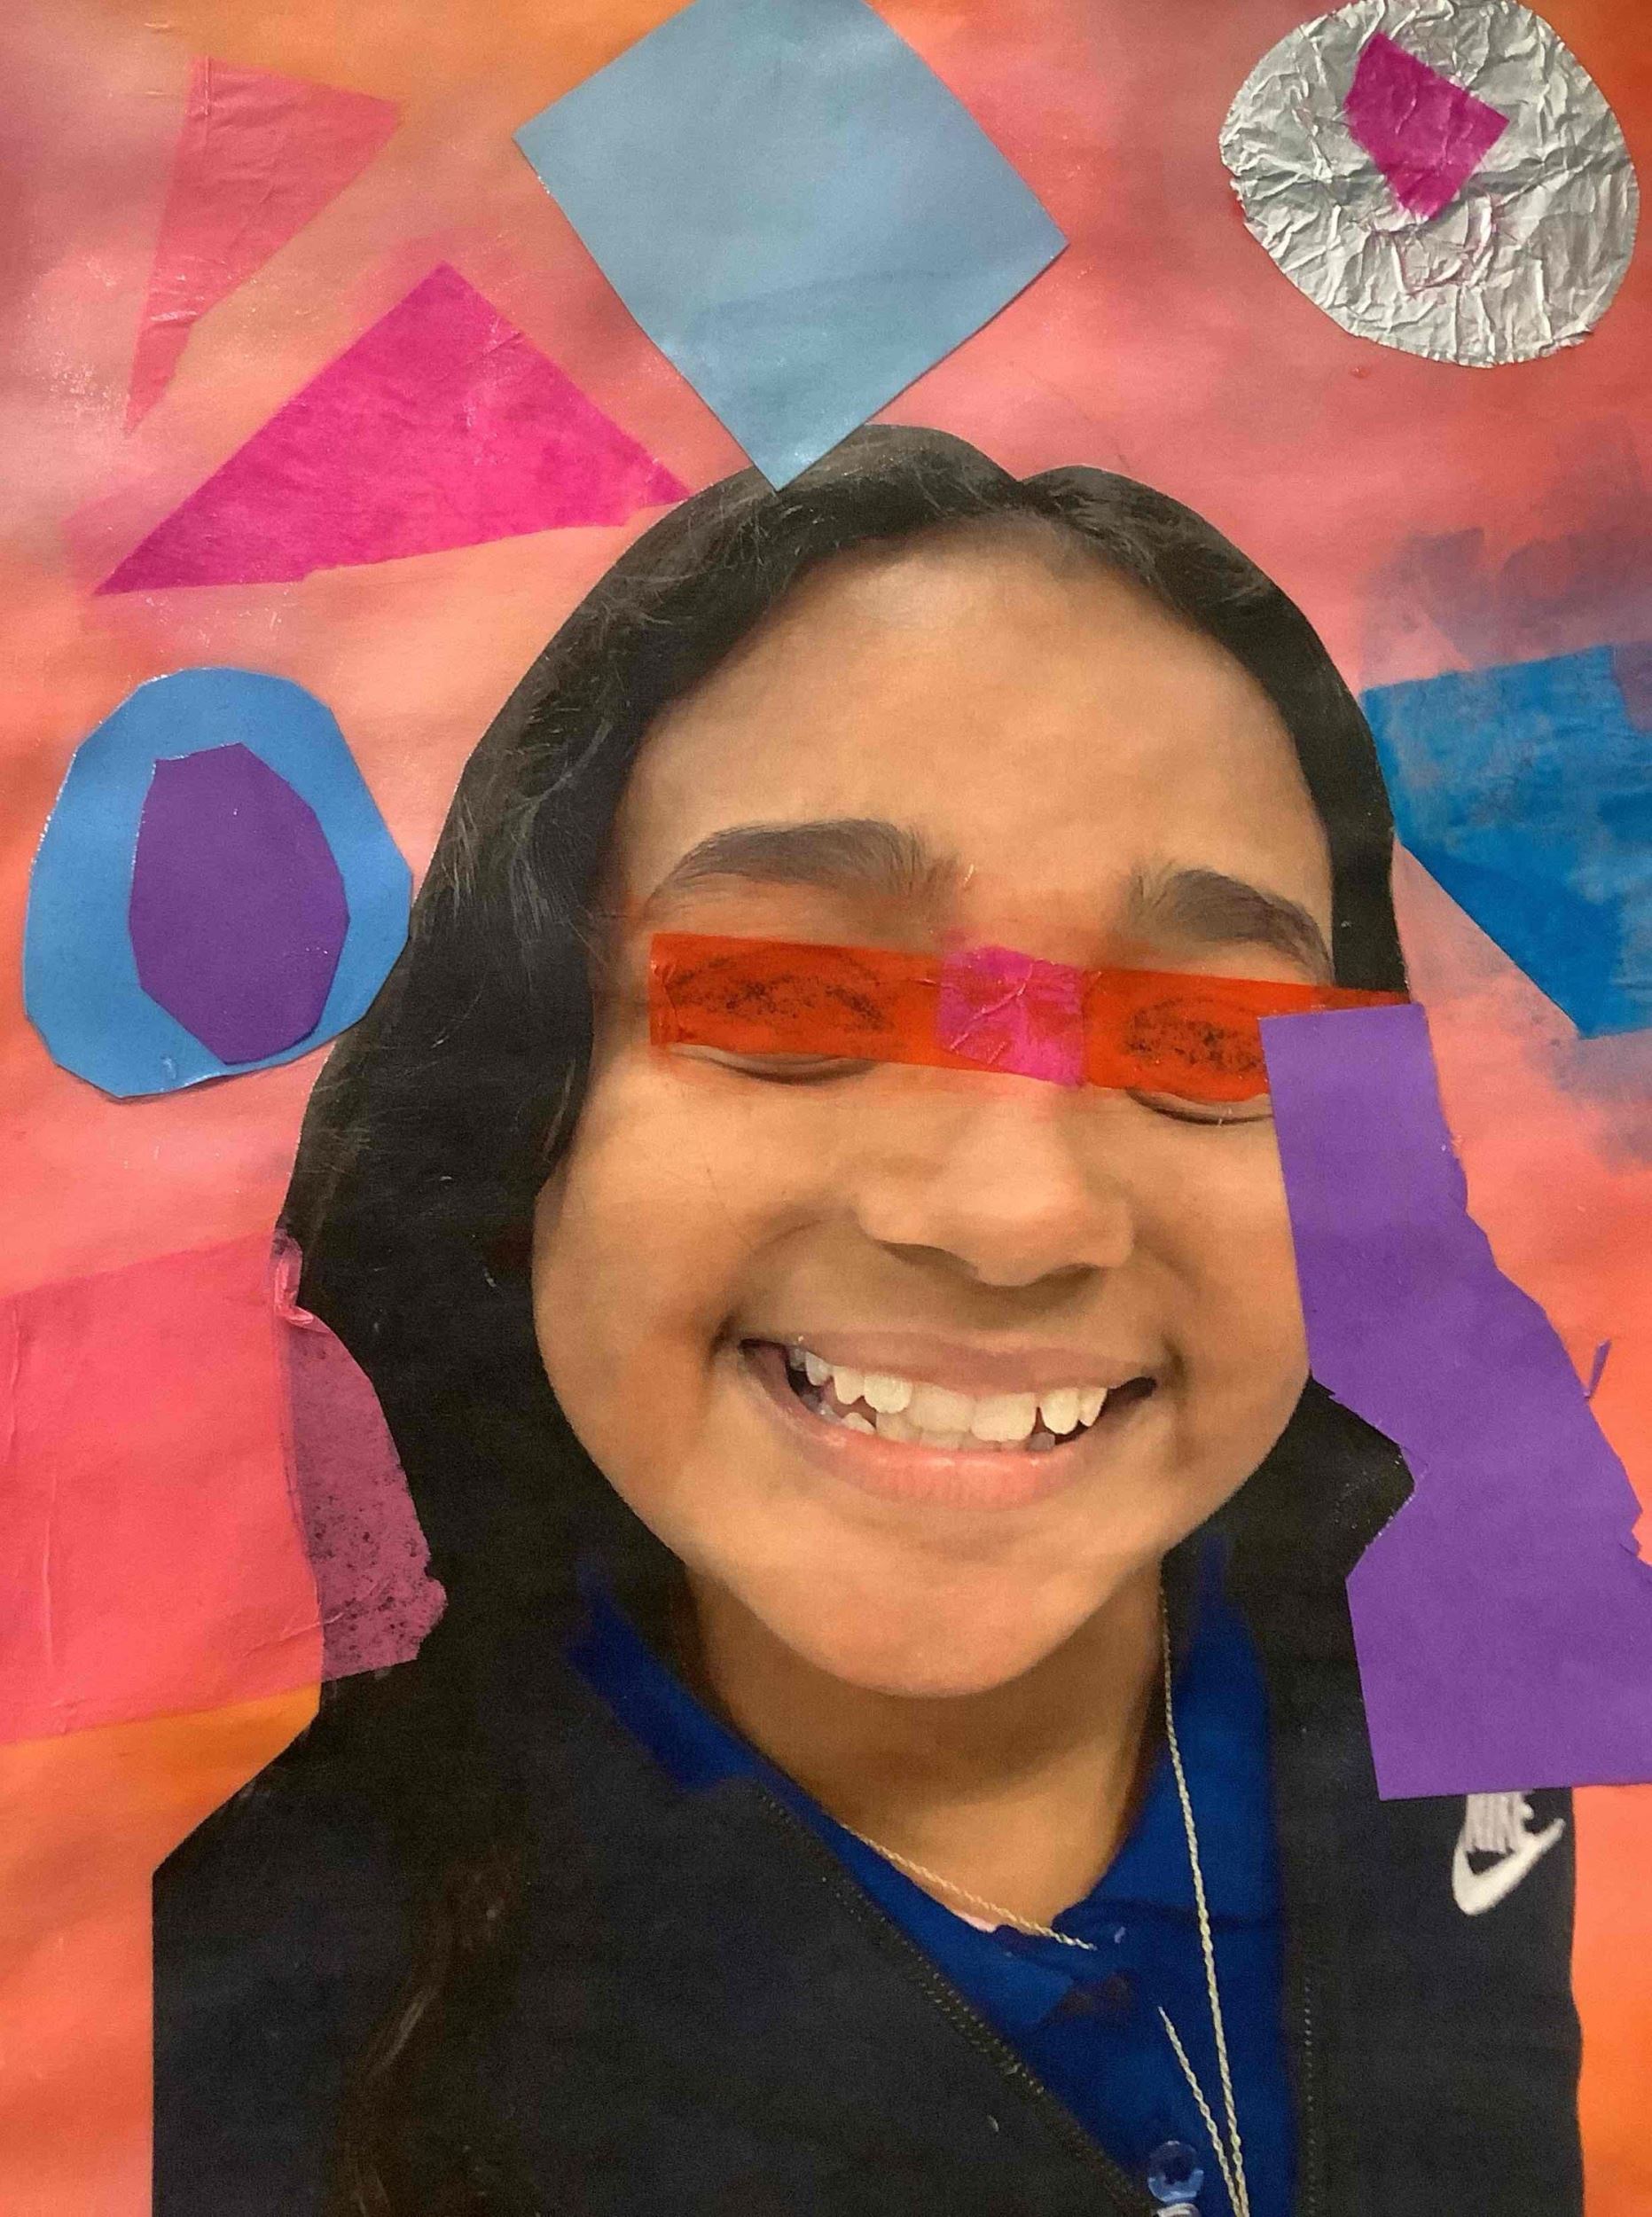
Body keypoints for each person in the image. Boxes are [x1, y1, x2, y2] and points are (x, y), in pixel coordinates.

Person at [153, 427, 1580, 2217]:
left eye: (1203, 1037)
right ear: (527, 1108)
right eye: (789, 994)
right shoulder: (219, 2035)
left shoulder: (1455, 1662)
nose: (1011, 1213)